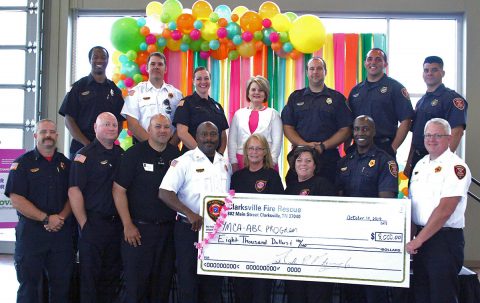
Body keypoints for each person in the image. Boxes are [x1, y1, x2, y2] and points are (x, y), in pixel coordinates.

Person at [159, 121, 231, 303]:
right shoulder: (184, 161)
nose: (209, 138)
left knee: (213, 285)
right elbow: (165, 192)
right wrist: (189, 213)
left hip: (217, 234)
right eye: (204, 134)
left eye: (213, 134)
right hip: (189, 231)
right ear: (196, 137)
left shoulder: (225, 163)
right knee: (188, 284)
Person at [112, 113, 180, 303]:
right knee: (136, 288)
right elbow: (118, 190)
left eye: (166, 127)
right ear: (148, 130)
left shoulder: (177, 156)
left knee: (161, 288)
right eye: (157, 127)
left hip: (167, 233)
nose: (163, 130)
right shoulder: (133, 154)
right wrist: (127, 224)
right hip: (138, 232)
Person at [5, 119, 73, 303]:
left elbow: (73, 195)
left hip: (61, 233)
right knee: (29, 286)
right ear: (36, 135)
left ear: (57, 136)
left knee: (61, 286)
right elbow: (17, 199)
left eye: (52, 132)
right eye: (43, 132)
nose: (48, 135)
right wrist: (45, 219)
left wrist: (59, 219)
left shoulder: (67, 165)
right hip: (31, 234)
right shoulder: (22, 164)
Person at [406, 118, 471, 303]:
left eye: (437, 135)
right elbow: (414, 205)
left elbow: (445, 210)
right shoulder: (420, 165)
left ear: (449, 139)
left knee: (442, 296)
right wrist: (413, 237)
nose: (431, 139)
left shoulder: (456, 167)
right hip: (421, 240)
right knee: (421, 294)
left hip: (443, 241)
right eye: (428, 135)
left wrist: (418, 240)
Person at [336, 115, 399, 303]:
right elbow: (338, 199)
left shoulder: (385, 162)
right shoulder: (345, 161)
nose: (360, 133)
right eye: (357, 129)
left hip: (372, 237)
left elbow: (385, 204)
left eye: (365, 129)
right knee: (350, 291)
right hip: (348, 236)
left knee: (373, 292)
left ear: (374, 132)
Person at [68, 112, 124, 303]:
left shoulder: (121, 154)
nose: (111, 128)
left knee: (111, 278)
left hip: (116, 226)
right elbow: (74, 191)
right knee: (90, 279)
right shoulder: (84, 155)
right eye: (106, 124)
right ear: (95, 128)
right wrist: (84, 224)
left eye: (114, 125)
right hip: (93, 224)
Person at [230, 134, 284, 303]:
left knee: (261, 293)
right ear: (245, 151)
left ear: (265, 152)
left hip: (264, 245)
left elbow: (279, 210)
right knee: (241, 292)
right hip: (241, 245)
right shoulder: (237, 177)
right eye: (251, 148)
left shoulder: (272, 176)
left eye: (258, 148)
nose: (254, 152)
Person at [281, 57, 353, 183]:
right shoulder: (295, 97)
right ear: (307, 72)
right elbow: (287, 126)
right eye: (312, 69)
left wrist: (323, 146)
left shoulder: (337, 98)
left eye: (319, 68)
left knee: (328, 194)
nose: (315, 72)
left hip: (328, 158)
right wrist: (304, 145)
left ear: (325, 72)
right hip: (300, 158)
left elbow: (346, 129)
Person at [284, 145, 337, 303]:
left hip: (319, 256)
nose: (303, 164)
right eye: (299, 160)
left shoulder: (324, 185)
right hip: (294, 256)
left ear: (315, 165)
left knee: (318, 296)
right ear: (293, 164)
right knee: (296, 296)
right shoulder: (289, 190)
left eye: (308, 160)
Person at [405, 56, 468, 177]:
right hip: (418, 161)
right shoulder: (421, 102)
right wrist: (409, 162)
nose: (429, 73)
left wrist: (442, 163)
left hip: (437, 160)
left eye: (434, 70)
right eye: (426, 70)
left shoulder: (452, 99)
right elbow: (416, 136)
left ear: (442, 73)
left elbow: (457, 132)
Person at [59, 46, 125, 158]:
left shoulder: (115, 90)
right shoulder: (78, 87)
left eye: (103, 57)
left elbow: (120, 122)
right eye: (95, 57)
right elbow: (68, 120)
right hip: (80, 148)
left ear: (107, 61)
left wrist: (107, 142)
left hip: (106, 149)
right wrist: (88, 145)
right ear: (90, 60)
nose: (99, 60)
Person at [347, 48, 414, 157]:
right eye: (370, 59)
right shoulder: (356, 90)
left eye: (378, 59)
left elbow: (406, 120)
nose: (373, 62)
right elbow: (348, 123)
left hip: (384, 147)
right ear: (365, 63)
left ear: (385, 64)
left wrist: (393, 148)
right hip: (357, 148)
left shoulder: (395, 88)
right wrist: (347, 147)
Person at [121, 52, 183, 144]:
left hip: (170, 147)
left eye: (160, 64)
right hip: (143, 145)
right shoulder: (136, 92)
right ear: (147, 68)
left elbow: (181, 124)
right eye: (152, 64)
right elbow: (132, 124)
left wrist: (171, 147)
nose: (156, 67)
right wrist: (152, 146)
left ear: (165, 69)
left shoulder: (177, 94)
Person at [228, 76, 283, 172]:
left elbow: (277, 142)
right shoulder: (238, 114)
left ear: (265, 94)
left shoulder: (273, 114)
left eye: (261, 90)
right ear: (248, 93)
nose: (257, 92)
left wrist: (272, 163)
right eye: (253, 89)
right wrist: (233, 162)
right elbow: (232, 141)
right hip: (241, 161)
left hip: (266, 162)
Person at [173, 66, 229, 154]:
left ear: (210, 81)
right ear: (193, 82)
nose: (203, 82)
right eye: (199, 79)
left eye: (206, 78)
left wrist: (220, 155)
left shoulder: (217, 106)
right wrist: (201, 154)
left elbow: (223, 136)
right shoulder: (186, 103)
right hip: (193, 157)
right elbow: (182, 133)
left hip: (214, 159)